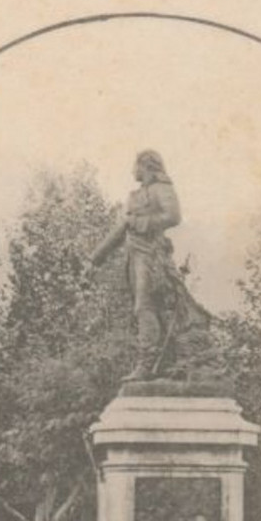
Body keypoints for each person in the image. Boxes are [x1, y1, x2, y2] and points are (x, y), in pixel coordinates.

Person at [90, 149, 208, 382]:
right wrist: (98, 256)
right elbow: (123, 228)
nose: (133, 170)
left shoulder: (162, 188)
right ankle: (164, 363)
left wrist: (140, 222)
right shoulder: (137, 194)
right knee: (146, 308)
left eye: (135, 165)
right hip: (135, 256)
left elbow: (173, 217)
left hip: (153, 256)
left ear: (146, 166)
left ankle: (147, 363)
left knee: (144, 307)